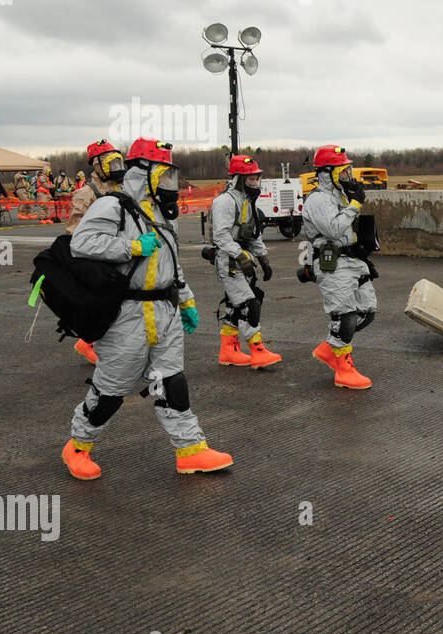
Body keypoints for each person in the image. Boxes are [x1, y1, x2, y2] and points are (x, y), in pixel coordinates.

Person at [61, 137, 232, 480]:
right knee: (111, 390)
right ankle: (78, 446)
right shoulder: (114, 206)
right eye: (163, 176)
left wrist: (186, 300)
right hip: (128, 315)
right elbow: (81, 243)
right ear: (143, 174)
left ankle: (190, 449)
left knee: (172, 382)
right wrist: (132, 246)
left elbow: (171, 263)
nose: (169, 184)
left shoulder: (159, 215)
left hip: (164, 310)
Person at [302, 144, 376, 390]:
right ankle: (343, 370)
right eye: (342, 171)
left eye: (348, 171)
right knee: (345, 316)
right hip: (332, 263)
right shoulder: (318, 200)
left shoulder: (341, 195)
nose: (347, 176)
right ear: (327, 173)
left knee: (367, 311)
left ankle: (328, 347)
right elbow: (333, 229)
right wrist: (354, 206)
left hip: (354, 260)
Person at [210, 154, 282, 369]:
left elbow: (254, 233)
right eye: (250, 179)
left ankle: (229, 350)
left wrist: (263, 258)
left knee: (234, 305)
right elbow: (220, 236)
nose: (254, 183)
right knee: (249, 305)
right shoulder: (225, 201)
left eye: (255, 178)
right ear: (238, 179)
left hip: (244, 258)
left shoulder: (248, 202)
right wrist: (239, 255)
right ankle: (257, 349)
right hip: (229, 261)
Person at [67, 141, 129, 364]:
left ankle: (95, 343)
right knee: (104, 304)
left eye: (118, 161)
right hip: (96, 259)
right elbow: (76, 234)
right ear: (97, 165)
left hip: (117, 253)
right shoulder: (86, 194)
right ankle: (87, 343)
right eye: (111, 163)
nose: (117, 167)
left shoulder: (120, 190)